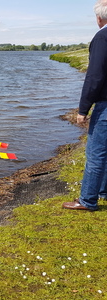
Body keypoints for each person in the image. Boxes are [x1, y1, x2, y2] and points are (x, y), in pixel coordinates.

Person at [63, 0, 107, 211]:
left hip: (106, 105)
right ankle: (104, 191)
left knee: (96, 152)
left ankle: (88, 200)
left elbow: (95, 77)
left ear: (100, 18)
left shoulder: (102, 37)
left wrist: (83, 110)